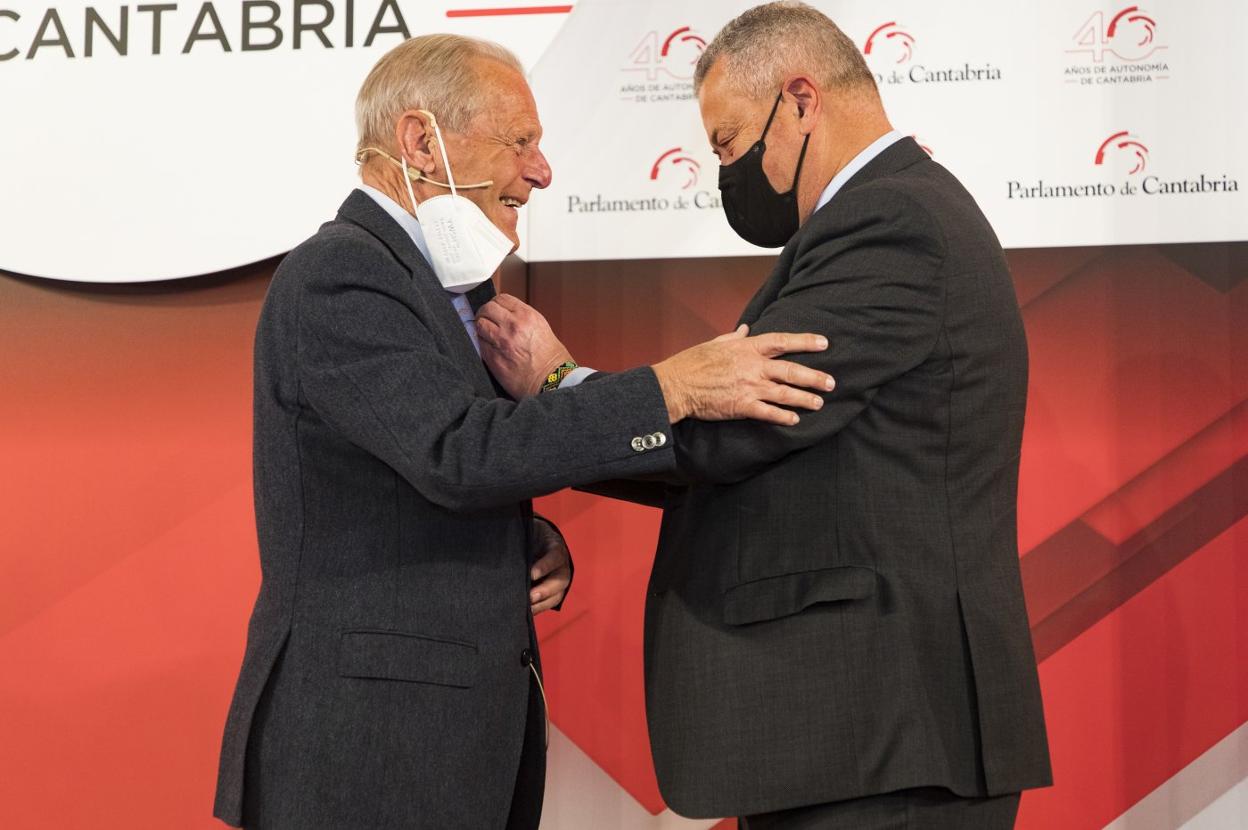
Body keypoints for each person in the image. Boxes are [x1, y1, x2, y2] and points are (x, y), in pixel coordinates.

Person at [210, 32, 834, 830]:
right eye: (521, 141)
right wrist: (670, 390)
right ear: (420, 141)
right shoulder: (342, 273)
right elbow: (456, 454)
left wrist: (517, 536)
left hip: (440, 748)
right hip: (366, 752)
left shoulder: (447, 287)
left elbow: (410, 474)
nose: (540, 170)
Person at [479, 3, 1052, 828]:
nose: (724, 171)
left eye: (727, 141)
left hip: (882, 735)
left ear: (802, 99)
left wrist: (562, 382)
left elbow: (738, 426)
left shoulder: (892, 221)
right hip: (858, 739)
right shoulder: (881, 218)